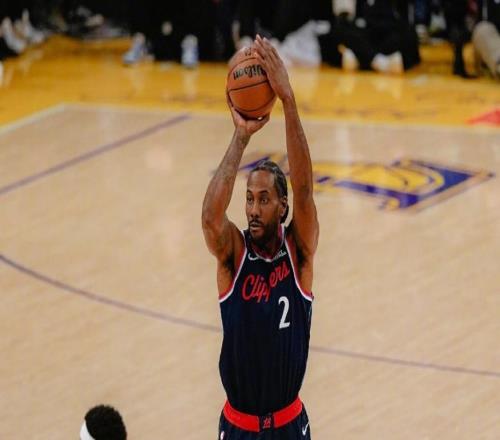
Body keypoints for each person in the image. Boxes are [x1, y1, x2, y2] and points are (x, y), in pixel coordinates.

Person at [202, 35, 319, 439]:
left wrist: (288, 101)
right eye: (249, 198)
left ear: (283, 207)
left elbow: (304, 188)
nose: (253, 209)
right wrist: (241, 137)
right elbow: (210, 218)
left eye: (264, 200)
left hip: (289, 425)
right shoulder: (234, 255)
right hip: (239, 427)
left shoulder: (298, 252)